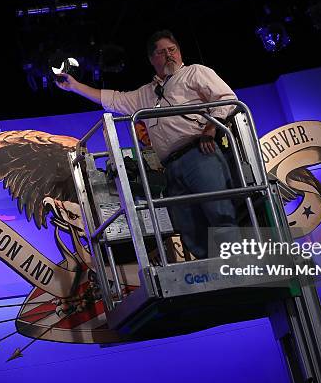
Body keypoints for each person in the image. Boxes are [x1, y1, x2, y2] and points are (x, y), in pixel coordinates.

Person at [56, 30, 238, 259]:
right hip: (170, 166)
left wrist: (211, 128)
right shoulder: (147, 93)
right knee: (189, 224)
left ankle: (240, 270)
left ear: (180, 52)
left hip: (200, 153)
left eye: (172, 50)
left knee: (218, 212)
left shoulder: (195, 72)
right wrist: (75, 86)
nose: (169, 55)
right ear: (153, 60)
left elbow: (226, 99)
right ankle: (213, 274)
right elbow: (114, 99)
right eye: (162, 52)